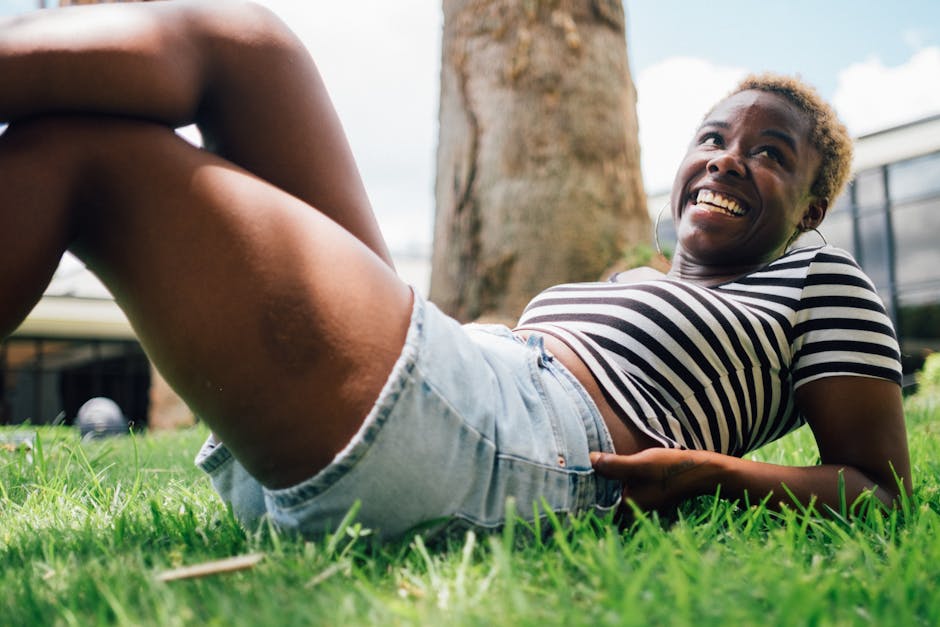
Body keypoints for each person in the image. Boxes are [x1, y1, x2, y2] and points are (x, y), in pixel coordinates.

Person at [0, 1, 910, 540]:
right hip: (466, 390)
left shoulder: (818, 282)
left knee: (107, 147)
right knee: (239, 58)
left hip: (526, 443)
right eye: (712, 137)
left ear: (814, 207)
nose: (725, 158)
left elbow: (880, 486)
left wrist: (710, 476)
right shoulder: (628, 281)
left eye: (770, 153)